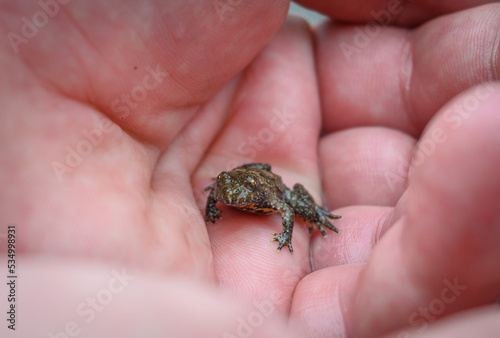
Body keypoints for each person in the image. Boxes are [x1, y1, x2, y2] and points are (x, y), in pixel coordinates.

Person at [1, 1, 499, 337]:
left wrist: (291, 233)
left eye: (235, 198)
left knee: (304, 206)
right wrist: (217, 206)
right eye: (229, 197)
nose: (229, 200)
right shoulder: (228, 189)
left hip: (279, 183)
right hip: (250, 173)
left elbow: (283, 205)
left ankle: (322, 217)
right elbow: (220, 188)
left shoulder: (268, 197)